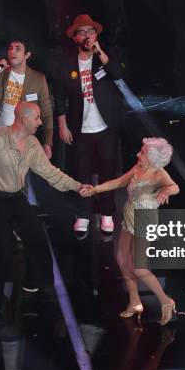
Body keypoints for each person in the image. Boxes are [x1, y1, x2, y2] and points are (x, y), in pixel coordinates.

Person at [0, 101, 91, 310]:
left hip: (15, 197)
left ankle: (32, 284)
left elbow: (50, 173)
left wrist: (77, 187)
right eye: (37, 118)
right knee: (0, 252)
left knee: (37, 238)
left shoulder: (32, 144)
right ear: (24, 120)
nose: (40, 122)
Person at [83, 137, 179, 325]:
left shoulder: (158, 174)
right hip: (129, 217)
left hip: (145, 220)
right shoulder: (138, 168)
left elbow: (175, 186)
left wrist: (166, 191)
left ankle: (166, 301)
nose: (138, 154)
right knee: (121, 260)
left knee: (139, 267)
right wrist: (96, 189)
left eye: (142, 152)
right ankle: (135, 301)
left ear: (152, 157)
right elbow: (119, 182)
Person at [54, 14, 125, 236]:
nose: (86, 35)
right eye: (81, 32)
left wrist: (99, 52)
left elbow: (118, 74)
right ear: (75, 38)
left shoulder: (105, 56)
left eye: (90, 31)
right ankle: (82, 214)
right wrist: (63, 125)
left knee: (107, 170)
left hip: (106, 126)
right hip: (80, 126)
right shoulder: (66, 62)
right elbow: (59, 96)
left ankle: (106, 213)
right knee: (81, 172)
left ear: (96, 35)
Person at [0, 38, 53, 158]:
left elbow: (46, 112)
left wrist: (47, 143)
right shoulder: (0, 72)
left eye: (18, 49)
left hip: (21, 137)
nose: (12, 52)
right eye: (10, 48)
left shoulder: (38, 79)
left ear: (27, 55)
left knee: (20, 175)